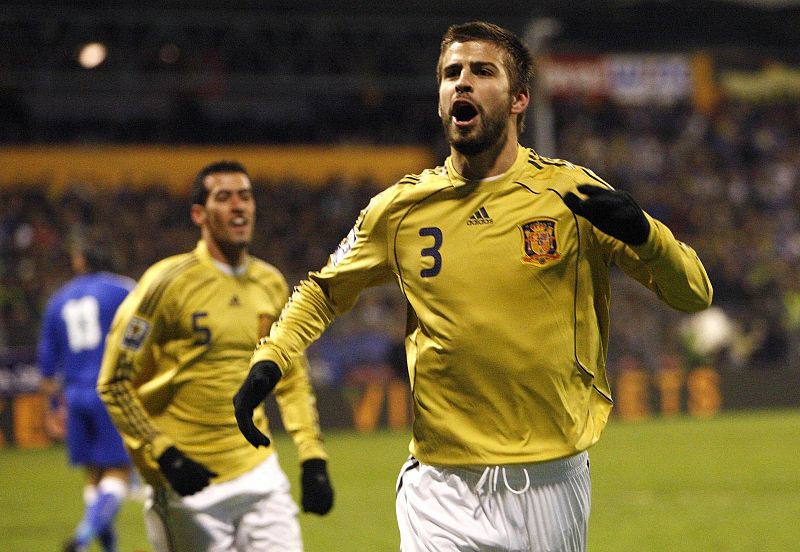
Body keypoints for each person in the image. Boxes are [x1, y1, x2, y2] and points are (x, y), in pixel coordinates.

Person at [233, 21, 713, 552]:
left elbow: (693, 293)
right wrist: (270, 359)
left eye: (482, 72)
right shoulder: (401, 209)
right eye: (450, 73)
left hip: (549, 484)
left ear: (518, 99)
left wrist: (647, 236)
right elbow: (325, 291)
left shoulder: (571, 195)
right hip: (440, 486)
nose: (462, 83)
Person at [98, 160, 333, 552]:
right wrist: (164, 453)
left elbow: (291, 377)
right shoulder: (165, 284)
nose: (239, 206)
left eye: (245, 196)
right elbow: (114, 382)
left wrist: (312, 456)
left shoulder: (270, 283)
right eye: (223, 197)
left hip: (259, 474)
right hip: (188, 485)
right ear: (199, 214)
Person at [37, 241, 136, 552]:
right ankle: (82, 538)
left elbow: (47, 365)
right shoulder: (123, 289)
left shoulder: (58, 299)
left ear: (80, 261)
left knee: (93, 475)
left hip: (75, 395)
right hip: (111, 390)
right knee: (119, 471)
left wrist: (54, 408)